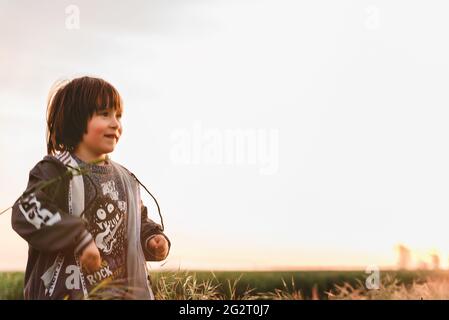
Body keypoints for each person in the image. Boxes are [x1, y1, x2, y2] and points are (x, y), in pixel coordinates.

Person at [11, 76, 170, 300]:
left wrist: (152, 238)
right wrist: (77, 236)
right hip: (67, 291)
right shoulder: (56, 170)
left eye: (118, 116)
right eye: (105, 114)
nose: (115, 123)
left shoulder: (126, 179)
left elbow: (136, 220)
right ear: (76, 118)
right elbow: (28, 209)